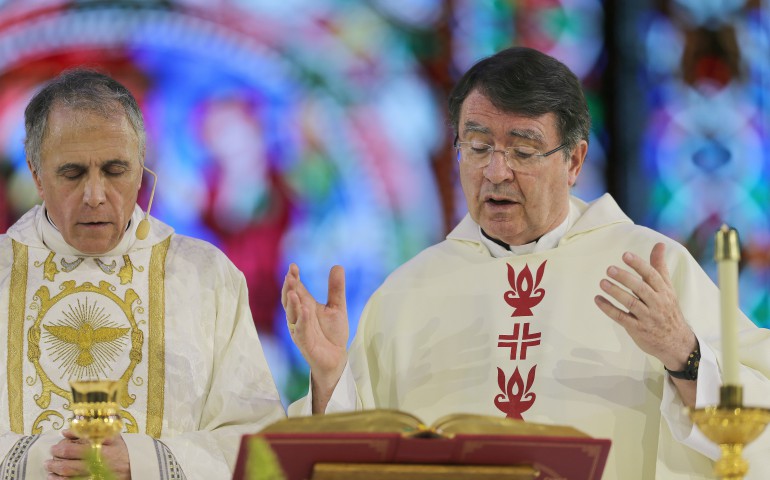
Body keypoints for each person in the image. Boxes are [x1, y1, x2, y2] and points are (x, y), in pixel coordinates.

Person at [282, 47, 770, 478]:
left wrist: (681, 353)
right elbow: (350, 463)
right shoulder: (408, 292)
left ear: (574, 162)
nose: (496, 171)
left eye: (523, 150)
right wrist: (329, 377)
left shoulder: (651, 267)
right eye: (477, 148)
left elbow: (756, 429)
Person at [0, 69, 285, 479]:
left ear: (141, 169)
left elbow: (256, 442)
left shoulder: (204, 277)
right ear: (36, 175)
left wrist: (143, 462)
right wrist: (46, 459)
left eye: (115, 171)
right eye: (73, 173)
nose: (95, 196)